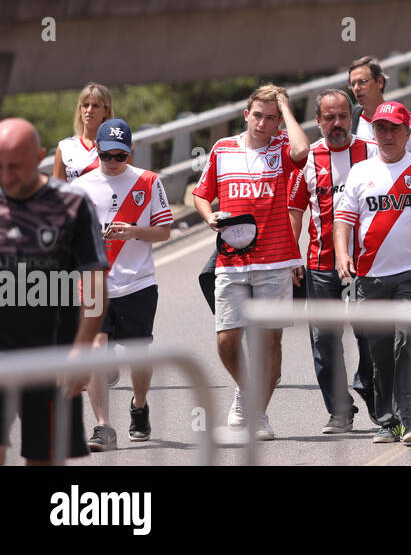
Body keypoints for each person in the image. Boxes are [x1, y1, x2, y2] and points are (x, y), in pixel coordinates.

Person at [333, 100, 411, 445]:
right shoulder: (359, 172)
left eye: (394, 129)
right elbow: (343, 219)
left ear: (407, 133)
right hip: (372, 277)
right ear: (374, 133)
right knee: (380, 351)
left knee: (409, 342)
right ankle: (388, 422)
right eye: (380, 129)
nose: (387, 135)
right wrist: (343, 253)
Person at [192, 85, 309, 441]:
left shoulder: (282, 148)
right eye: (257, 115)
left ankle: (258, 413)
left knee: (269, 340)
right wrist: (208, 216)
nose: (262, 123)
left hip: (275, 260)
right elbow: (201, 193)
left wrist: (286, 106)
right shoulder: (223, 149)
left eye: (270, 118)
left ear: (278, 122)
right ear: (247, 115)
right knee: (227, 339)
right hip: (232, 260)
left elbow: (303, 151)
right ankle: (246, 390)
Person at [0, 118, 108, 466]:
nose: (6, 176)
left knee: (44, 458)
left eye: (15, 167)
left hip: (52, 355)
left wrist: (81, 352)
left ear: (40, 157)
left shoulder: (72, 203)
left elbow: (94, 282)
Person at [69, 118, 172, 451]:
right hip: (96, 284)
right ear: (96, 150)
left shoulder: (148, 181)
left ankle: (139, 406)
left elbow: (164, 231)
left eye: (120, 156)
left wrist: (134, 231)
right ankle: (103, 426)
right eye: (106, 155)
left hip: (137, 284)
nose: (112, 163)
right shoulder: (81, 187)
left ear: (130, 152)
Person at [286, 89, 378, 434]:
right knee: (324, 340)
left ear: (350, 117)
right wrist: (292, 255)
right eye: (329, 118)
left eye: (342, 116)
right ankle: (339, 410)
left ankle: (368, 386)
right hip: (321, 263)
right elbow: (295, 210)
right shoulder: (308, 158)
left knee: (369, 335)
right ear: (318, 121)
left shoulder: (370, 153)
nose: (337, 124)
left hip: (366, 264)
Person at [348, 56, 411, 156]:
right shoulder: (350, 122)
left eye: (362, 82)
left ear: (380, 82)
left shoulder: (408, 120)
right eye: (353, 84)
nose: (356, 88)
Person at [53, 83, 113, 182]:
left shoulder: (117, 147)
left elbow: (128, 186)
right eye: (85, 105)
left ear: (106, 111)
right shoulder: (65, 147)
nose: (89, 110)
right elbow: (58, 193)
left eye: (95, 106)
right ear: (80, 109)